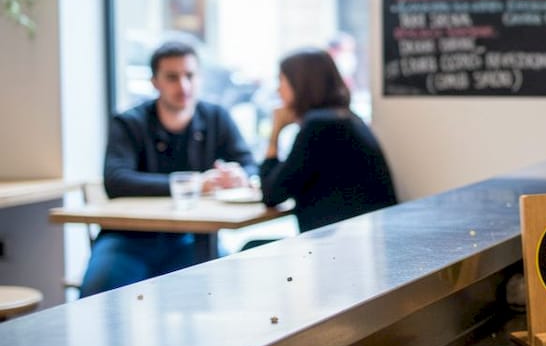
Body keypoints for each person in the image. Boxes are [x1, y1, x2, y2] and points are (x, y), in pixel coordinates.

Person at [80, 41, 258, 297]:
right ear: (155, 82)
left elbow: (249, 164)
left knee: (232, 289)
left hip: (192, 238)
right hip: (128, 237)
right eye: (172, 77)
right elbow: (116, 180)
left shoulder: (216, 117)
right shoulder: (129, 122)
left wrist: (240, 174)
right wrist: (196, 183)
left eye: (190, 76)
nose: (183, 86)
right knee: (96, 298)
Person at [260, 47, 397, 232]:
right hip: (363, 238)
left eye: (282, 80)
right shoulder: (346, 118)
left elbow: (271, 195)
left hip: (339, 246)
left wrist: (275, 131)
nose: (278, 89)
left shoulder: (319, 126)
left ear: (300, 83)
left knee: (249, 249)